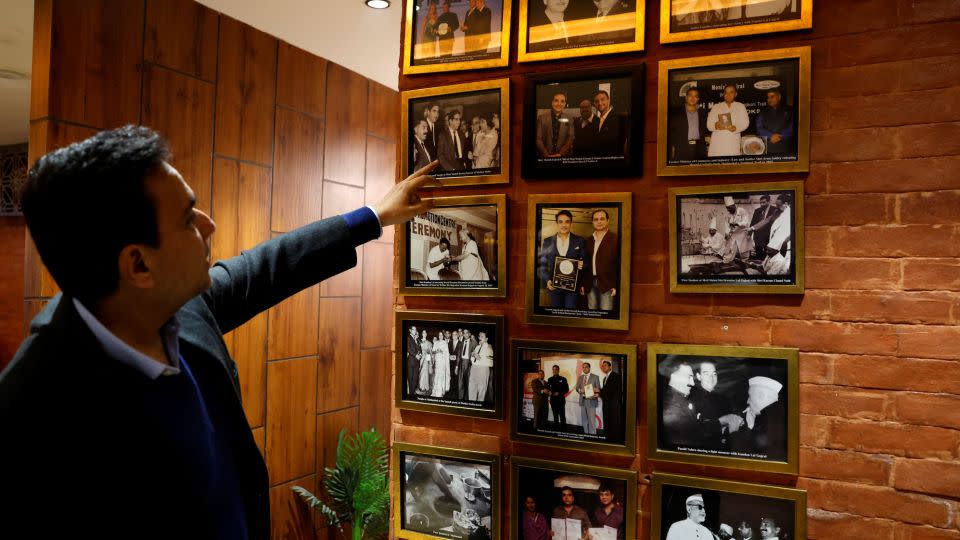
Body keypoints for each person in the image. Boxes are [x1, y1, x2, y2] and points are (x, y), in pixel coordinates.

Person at [0, 126, 437, 537]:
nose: (209, 225)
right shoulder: (32, 415)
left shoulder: (177, 305)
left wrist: (375, 216)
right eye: (189, 218)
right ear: (139, 264)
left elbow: (267, 267)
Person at [537, 209, 587, 309]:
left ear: (571, 223)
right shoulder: (547, 241)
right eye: (560, 222)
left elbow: (587, 262)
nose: (564, 225)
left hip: (573, 288)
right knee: (557, 316)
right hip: (554, 287)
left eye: (567, 221)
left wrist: (583, 264)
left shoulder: (580, 241)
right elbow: (542, 265)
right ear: (557, 223)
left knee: (570, 316)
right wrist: (547, 280)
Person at [730, 376, 787, 460]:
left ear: (761, 396)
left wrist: (733, 430)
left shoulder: (773, 420)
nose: (747, 401)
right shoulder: (773, 412)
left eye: (750, 396)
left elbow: (742, 454)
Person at [584, 208, 618, 311]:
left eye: (602, 219)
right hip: (590, 282)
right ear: (592, 222)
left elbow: (620, 264)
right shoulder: (588, 240)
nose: (599, 222)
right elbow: (586, 263)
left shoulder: (616, 239)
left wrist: (615, 284)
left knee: (606, 311)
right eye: (596, 219)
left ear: (608, 220)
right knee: (592, 312)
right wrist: (583, 284)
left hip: (607, 284)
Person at [707, 84, 750, 157]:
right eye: (726, 92)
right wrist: (716, 125)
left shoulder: (740, 106)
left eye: (731, 92)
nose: (728, 95)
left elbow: (745, 123)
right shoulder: (716, 107)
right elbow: (709, 125)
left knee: (732, 166)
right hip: (717, 145)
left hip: (733, 143)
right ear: (723, 94)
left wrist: (736, 128)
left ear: (735, 94)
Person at [669, 86, 709, 161]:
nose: (693, 98)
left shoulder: (703, 113)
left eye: (695, 96)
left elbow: (707, 128)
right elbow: (670, 131)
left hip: (699, 149)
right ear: (686, 97)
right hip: (682, 148)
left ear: (698, 99)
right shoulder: (676, 113)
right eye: (690, 95)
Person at [536, 91, 575, 158]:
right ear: (552, 102)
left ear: (565, 104)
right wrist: (546, 154)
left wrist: (561, 154)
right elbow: (538, 139)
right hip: (544, 157)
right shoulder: (541, 118)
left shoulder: (570, 118)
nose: (559, 104)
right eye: (556, 100)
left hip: (563, 157)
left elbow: (571, 137)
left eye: (562, 101)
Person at [756, 89, 794, 154]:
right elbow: (759, 128)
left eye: (772, 96)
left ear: (779, 97)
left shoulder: (790, 110)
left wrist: (781, 136)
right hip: (768, 147)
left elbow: (793, 126)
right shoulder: (763, 112)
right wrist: (770, 136)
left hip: (786, 147)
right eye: (768, 97)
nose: (769, 99)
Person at [592, 89, 629, 158]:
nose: (599, 103)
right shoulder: (596, 121)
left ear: (608, 100)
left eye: (602, 99)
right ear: (594, 104)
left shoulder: (619, 117)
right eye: (596, 101)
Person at [762, 196, 791, 276]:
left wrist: (784, 241)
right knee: (771, 264)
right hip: (775, 244)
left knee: (784, 267)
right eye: (776, 205)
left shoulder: (791, 214)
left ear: (786, 204)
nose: (777, 207)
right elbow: (769, 222)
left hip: (786, 244)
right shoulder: (778, 212)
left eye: (779, 205)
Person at [748, 195, 780, 259]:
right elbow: (753, 223)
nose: (762, 204)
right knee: (758, 254)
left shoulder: (774, 210)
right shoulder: (757, 210)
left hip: (768, 236)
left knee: (767, 255)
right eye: (761, 202)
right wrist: (749, 234)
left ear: (768, 202)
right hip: (758, 237)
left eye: (764, 202)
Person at [598, 360, 622, 441]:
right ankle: (608, 438)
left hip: (614, 404)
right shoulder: (604, 378)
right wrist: (598, 394)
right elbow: (605, 392)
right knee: (607, 421)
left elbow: (611, 390)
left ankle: (615, 440)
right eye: (603, 366)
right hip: (606, 404)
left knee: (614, 422)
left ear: (610, 366)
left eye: (605, 365)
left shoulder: (616, 376)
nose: (604, 367)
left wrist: (598, 390)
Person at [575, 362, 601, 435]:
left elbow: (598, 389)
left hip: (591, 401)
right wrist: (580, 390)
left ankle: (593, 435)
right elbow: (577, 388)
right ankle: (586, 434)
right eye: (583, 367)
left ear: (589, 368)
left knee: (591, 420)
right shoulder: (580, 377)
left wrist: (593, 391)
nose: (584, 368)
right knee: (584, 419)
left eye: (586, 367)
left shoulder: (595, 377)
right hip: (582, 400)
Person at [468, 331, 494, 402]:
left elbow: (490, 363)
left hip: (483, 370)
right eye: (479, 336)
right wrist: (473, 356)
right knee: (471, 390)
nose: (480, 338)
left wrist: (479, 358)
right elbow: (473, 360)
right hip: (474, 369)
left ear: (486, 339)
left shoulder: (489, 349)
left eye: (482, 336)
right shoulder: (477, 347)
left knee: (481, 392)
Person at [547, 364, 570, 428]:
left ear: (558, 370)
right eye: (553, 369)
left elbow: (567, 389)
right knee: (555, 416)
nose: (554, 371)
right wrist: (549, 392)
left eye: (556, 369)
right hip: (553, 401)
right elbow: (548, 389)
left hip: (561, 400)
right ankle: (556, 431)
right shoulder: (549, 379)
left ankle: (563, 431)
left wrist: (559, 393)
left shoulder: (563, 379)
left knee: (562, 416)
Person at [458, 328, 477, 400]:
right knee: (460, 382)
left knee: (468, 382)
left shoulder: (473, 342)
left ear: (469, 334)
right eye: (464, 333)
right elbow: (459, 355)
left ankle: (468, 400)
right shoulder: (461, 343)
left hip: (469, 364)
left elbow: (476, 354)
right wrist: (457, 366)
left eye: (466, 333)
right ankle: (460, 399)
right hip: (461, 363)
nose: (465, 334)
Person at [431, 333, 450, 398]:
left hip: (442, 362)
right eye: (439, 335)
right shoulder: (436, 342)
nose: (440, 336)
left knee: (441, 376)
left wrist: (442, 351)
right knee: (436, 375)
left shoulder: (445, 343)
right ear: (438, 336)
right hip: (437, 361)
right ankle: (435, 391)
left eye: (441, 335)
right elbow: (433, 351)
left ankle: (440, 392)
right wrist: (436, 351)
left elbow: (447, 353)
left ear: (443, 336)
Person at [407, 325, 422, 396]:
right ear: (410, 330)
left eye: (415, 330)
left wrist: (420, 354)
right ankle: (411, 394)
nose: (415, 331)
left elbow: (420, 349)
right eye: (413, 330)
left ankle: (412, 393)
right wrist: (416, 355)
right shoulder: (408, 338)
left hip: (417, 362)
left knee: (415, 379)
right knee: (410, 378)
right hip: (411, 361)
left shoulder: (417, 340)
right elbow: (408, 349)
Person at [418, 329, 433, 394]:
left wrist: (429, 362)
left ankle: (426, 387)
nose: (424, 334)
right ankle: (421, 387)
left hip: (426, 360)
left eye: (425, 333)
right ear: (422, 334)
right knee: (421, 373)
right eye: (423, 333)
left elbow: (429, 353)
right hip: (420, 359)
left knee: (425, 373)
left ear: (426, 334)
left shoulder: (429, 343)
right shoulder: (419, 342)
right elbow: (418, 351)